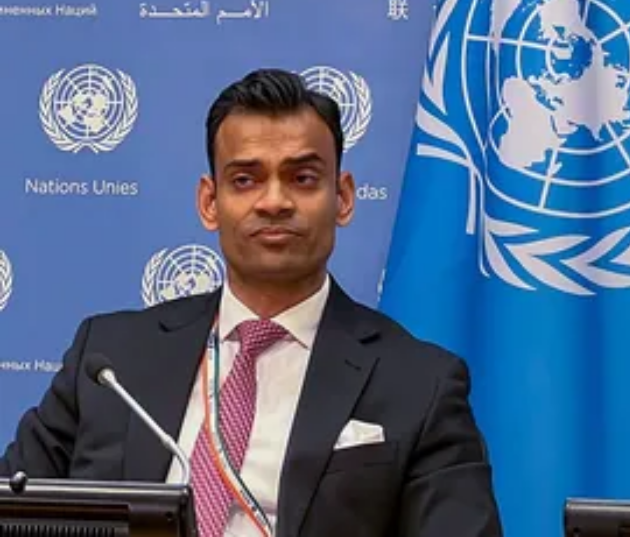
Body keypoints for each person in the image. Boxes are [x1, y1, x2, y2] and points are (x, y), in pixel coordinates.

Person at [0, 69, 503, 537]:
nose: (274, 201)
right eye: (245, 180)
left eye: (303, 178)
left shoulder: (419, 383)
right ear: (210, 202)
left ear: (343, 197)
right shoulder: (111, 361)